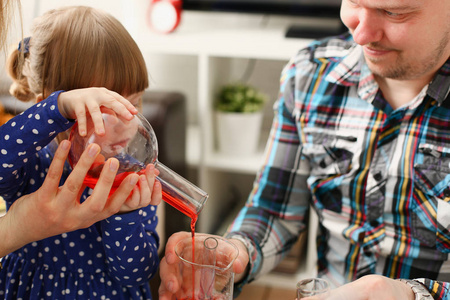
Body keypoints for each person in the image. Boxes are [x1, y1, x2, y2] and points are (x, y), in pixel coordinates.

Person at [159, 0, 450, 299]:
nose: (360, 35)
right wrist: (236, 252)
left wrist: (410, 294)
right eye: (353, 2)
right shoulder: (310, 74)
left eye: (393, 12)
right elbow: (275, 209)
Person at [0, 5, 163, 300]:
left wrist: (125, 215)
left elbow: (138, 273)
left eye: (134, 103)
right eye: (105, 111)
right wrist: (57, 107)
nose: (128, 126)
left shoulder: (131, 174)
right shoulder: (31, 165)